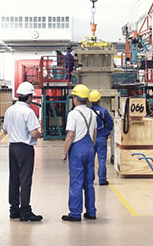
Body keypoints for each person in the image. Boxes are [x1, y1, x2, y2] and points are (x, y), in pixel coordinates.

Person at [3, 82, 44, 222]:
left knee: (13, 178)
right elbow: (33, 133)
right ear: (30, 97)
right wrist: (40, 134)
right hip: (25, 149)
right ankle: (25, 211)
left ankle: (14, 209)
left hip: (13, 147)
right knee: (25, 179)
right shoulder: (28, 112)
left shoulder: (10, 110)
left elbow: (5, 130)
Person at [61, 84, 98, 222]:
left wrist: (65, 152)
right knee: (89, 182)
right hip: (89, 148)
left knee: (76, 182)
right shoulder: (92, 113)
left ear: (76, 98)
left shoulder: (73, 114)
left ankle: (75, 214)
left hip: (77, 150)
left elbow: (70, 135)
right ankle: (91, 211)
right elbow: (94, 133)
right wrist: (91, 147)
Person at [88, 90, 114, 186]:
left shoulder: (88, 112)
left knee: (90, 160)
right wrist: (108, 131)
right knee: (102, 159)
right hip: (102, 137)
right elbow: (110, 123)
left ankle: (90, 179)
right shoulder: (104, 111)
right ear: (99, 99)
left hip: (91, 139)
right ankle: (102, 179)